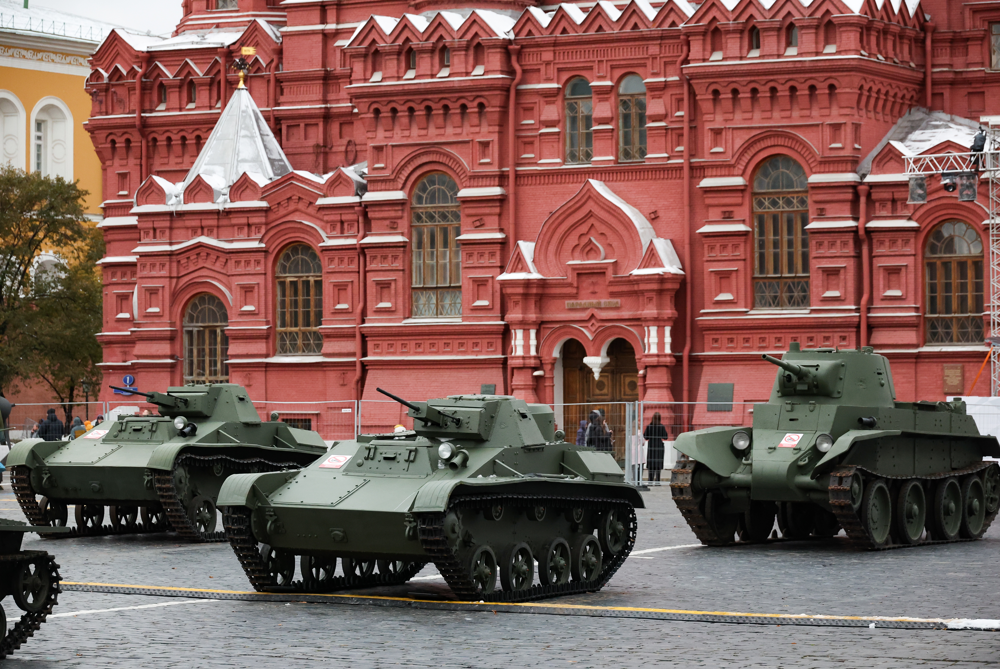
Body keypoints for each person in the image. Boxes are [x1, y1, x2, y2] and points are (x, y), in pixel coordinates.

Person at [644, 412, 669, 485]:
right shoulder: (661, 426)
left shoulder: (649, 426)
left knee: (651, 464)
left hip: (651, 446)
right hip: (659, 446)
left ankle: (650, 480)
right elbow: (665, 437)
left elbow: (645, 437)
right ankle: (657, 481)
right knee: (658, 464)